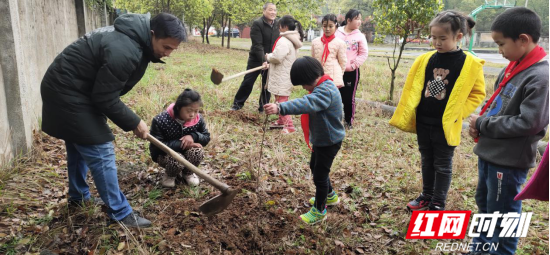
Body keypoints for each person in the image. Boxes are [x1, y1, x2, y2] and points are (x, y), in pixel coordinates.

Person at [40, 13, 187, 228]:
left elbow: (104, 91)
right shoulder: (125, 50)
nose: (168, 54)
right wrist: (135, 121)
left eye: (173, 49)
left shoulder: (132, 39)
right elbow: (104, 97)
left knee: (79, 144)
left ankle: (78, 197)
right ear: (152, 34)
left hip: (75, 90)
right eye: (166, 47)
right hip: (68, 93)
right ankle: (120, 213)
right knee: (100, 149)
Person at [468, 7, 549, 255]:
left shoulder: (540, 76)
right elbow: (495, 103)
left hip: (509, 160)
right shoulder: (513, 66)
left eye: (501, 44)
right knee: (485, 204)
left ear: (523, 39)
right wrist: (479, 120)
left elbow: (530, 123)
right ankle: (480, 250)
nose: (498, 50)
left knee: (503, 214)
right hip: (490, 152)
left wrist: (482, 124)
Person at [389, 11, 486, 211]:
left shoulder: (469, 63)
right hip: (424, 121)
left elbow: (478, 93)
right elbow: (413, 87)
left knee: (442, 165)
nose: (437, 42)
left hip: (445, 126)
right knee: (426, 159)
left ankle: (438, 202)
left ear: (458, 37)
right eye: (433, 38)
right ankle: (426, 195)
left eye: (443, 38)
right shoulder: (425, 59)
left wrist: (459, 112)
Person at [264, 56, 345, 224]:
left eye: (302, 84)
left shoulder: (325, 91)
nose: (303, 88)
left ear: (308, 80)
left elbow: (306, 103)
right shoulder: (323, 85)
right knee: (315, 168)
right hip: (322, 140)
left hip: (329, 142)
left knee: (320, 177)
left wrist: (280, 107)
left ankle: (319, 210)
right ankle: (330, 196)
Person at [149, 89, 210, 188]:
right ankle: (170, 175)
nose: (192, 115)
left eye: (196, 111)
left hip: (185, 153)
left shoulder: (198, 119)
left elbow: (206, 137)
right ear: (178, 107)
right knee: (177, 159)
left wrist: (193, 136)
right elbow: (157, 146)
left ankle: (188, 172)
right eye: (189, 111)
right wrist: (185, 145)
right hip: (165, 155)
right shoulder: (160, 120)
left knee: (197, 151)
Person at [230, 2, 279, 112]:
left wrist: (272, 59)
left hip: (271, 60)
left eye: (275, 10)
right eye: (270, 10)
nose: (273, 12)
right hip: (256, 59)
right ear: (264, 11)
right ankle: (237, 104)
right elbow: (257, 45)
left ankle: (263, 107)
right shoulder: (257, 24)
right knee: (248, 82)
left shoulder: (278, 24)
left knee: (267, 85)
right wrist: (263, 60)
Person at [264, 15, 304, 134]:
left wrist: (268, 56)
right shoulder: (291, 39)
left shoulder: (284, 40)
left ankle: (289, 125)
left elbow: (277, 57)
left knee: (282, 100)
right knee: (279, 98)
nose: (278, 27)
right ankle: (281, 122)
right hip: (283, 74)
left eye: (279, 25)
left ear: (284, 26)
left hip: (282, 75)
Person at [335, 9, 369, 128]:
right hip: (336, 71)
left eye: (360, 19)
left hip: (351, 72)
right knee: (335, 96)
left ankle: (348, 122)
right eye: (357, 19)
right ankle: (335, 120)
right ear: (348, 20)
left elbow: (363, 53)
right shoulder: (337, 33)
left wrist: (353, 65)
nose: (360, 21)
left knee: (348, 98)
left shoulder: (359, 36)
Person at [311, 14, 347, 89]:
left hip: (333, 77)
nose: (327, 29)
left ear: (336, 27)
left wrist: (339, 74)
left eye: (331, 26)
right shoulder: (315, 42)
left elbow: (342, 62)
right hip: (318, 76)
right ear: (322, 26)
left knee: (331, 99)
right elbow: (313, 60)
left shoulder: (340, 43)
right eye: (325, 26)